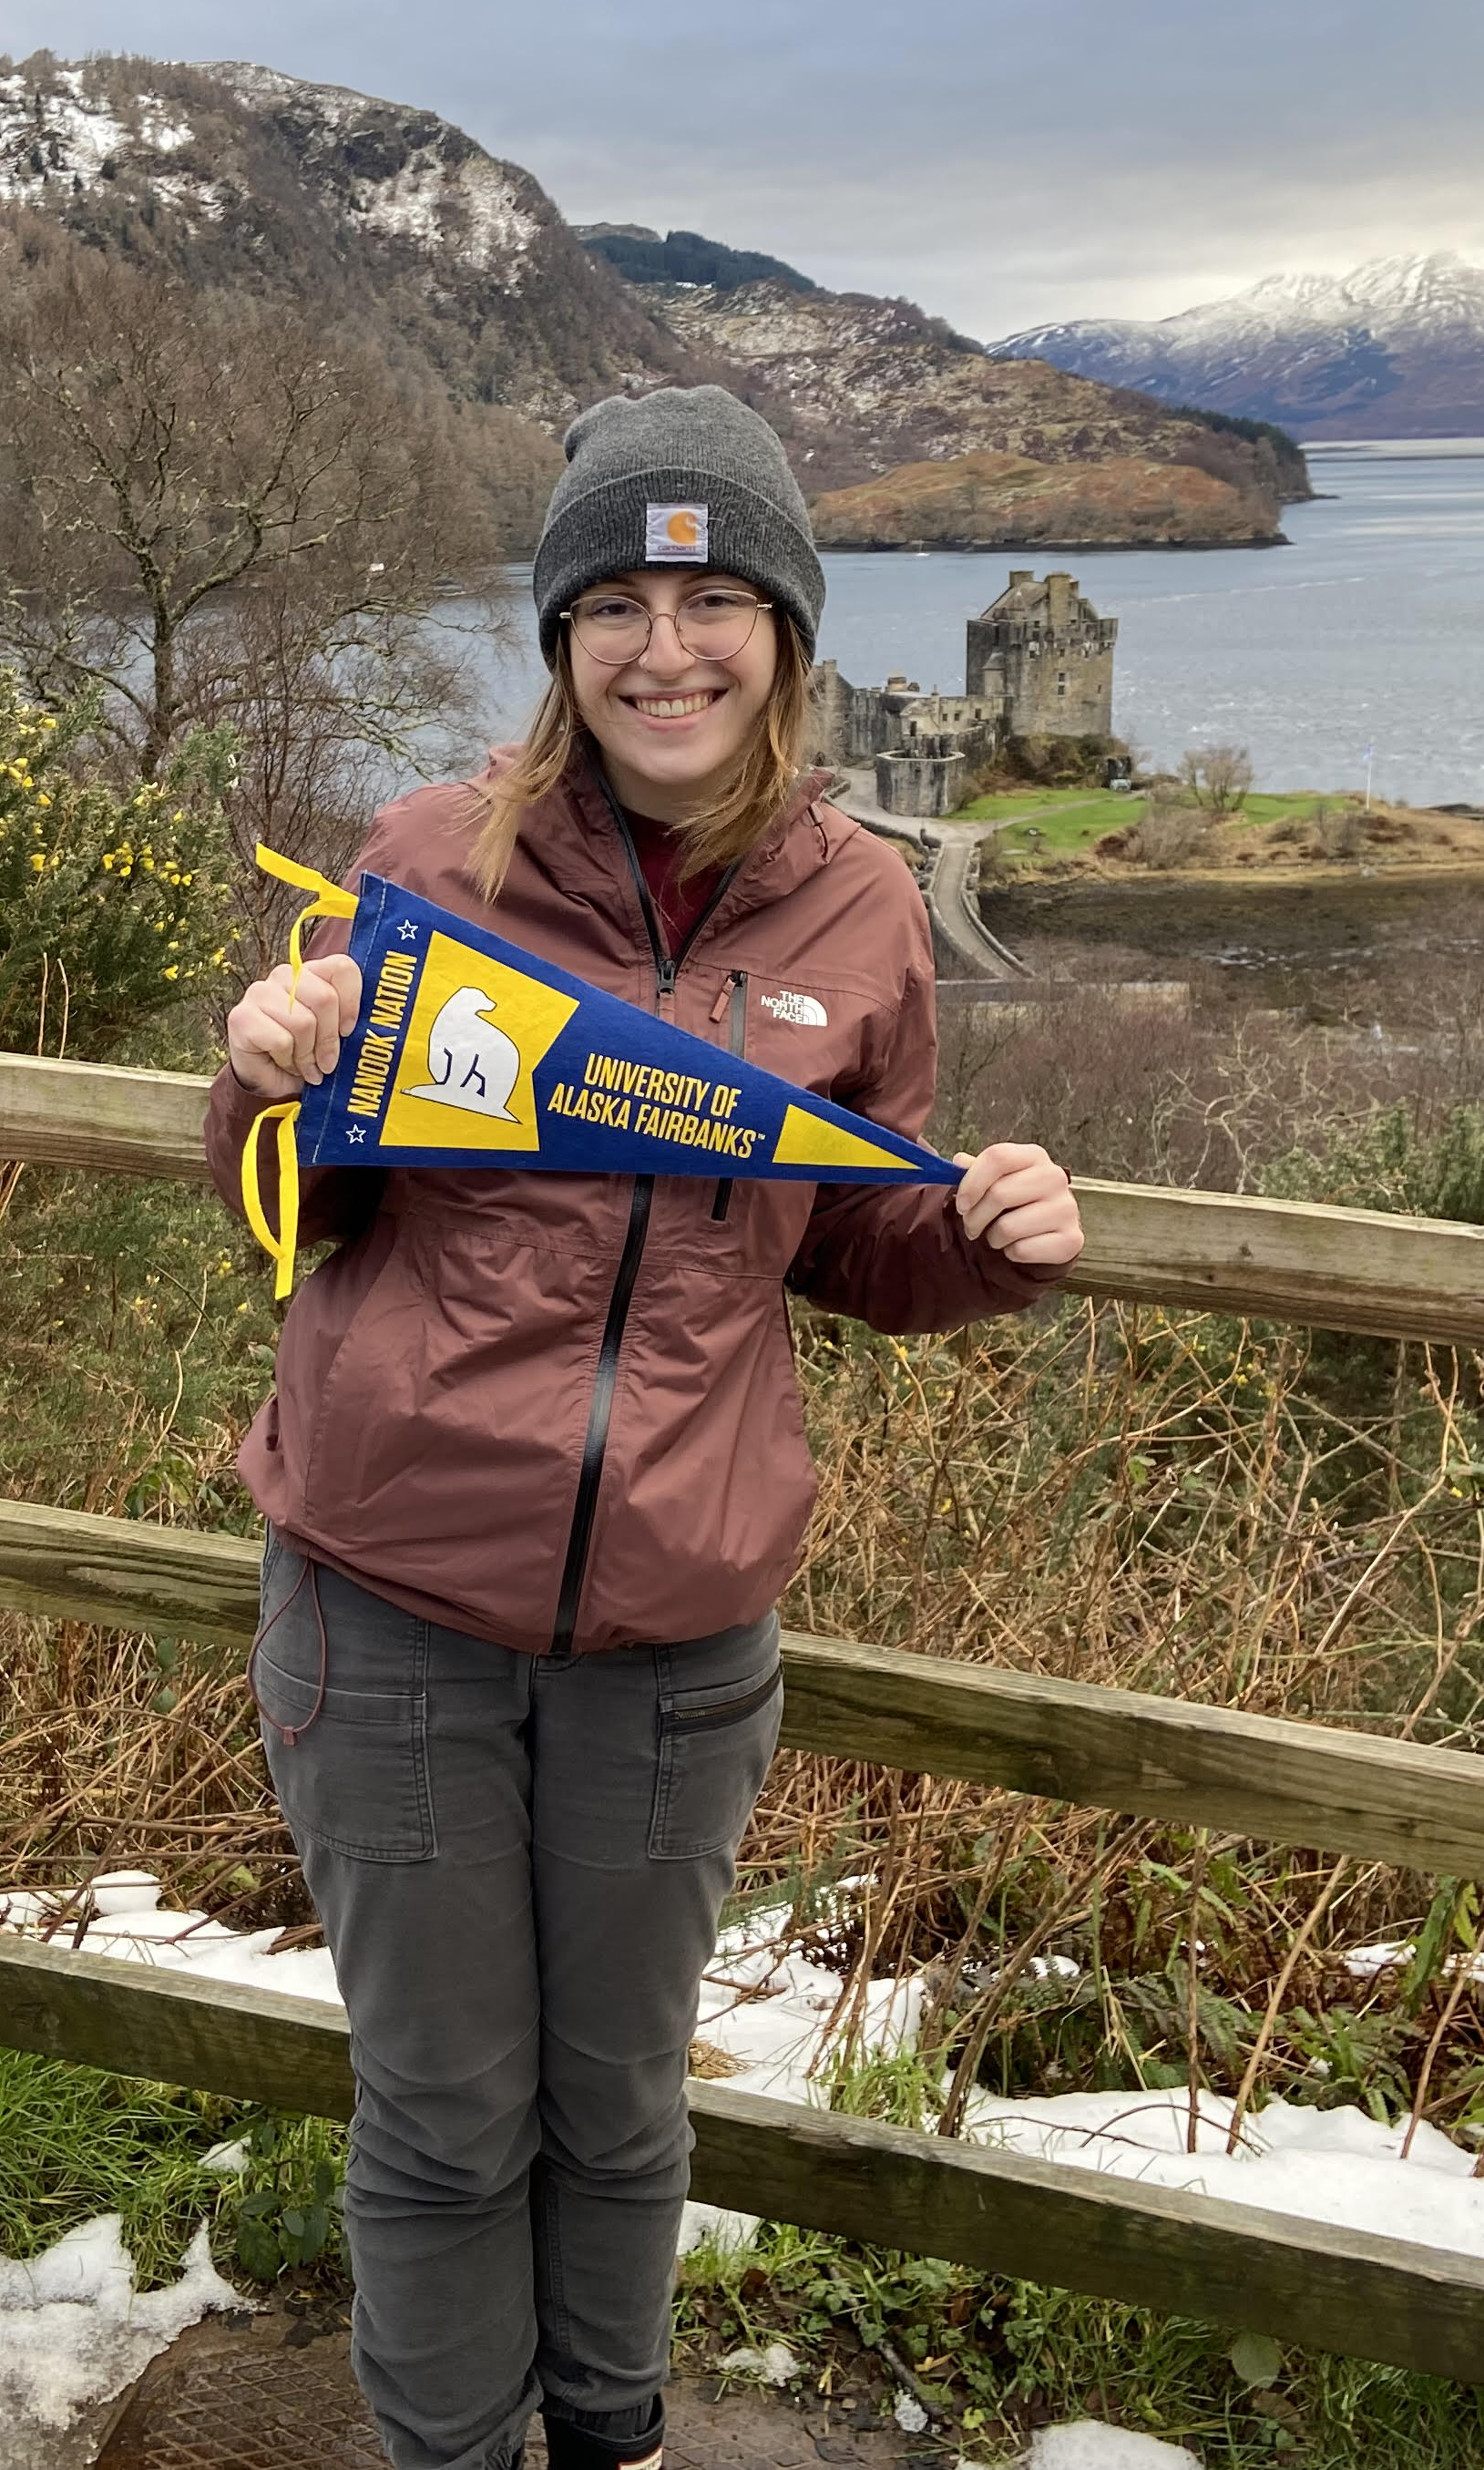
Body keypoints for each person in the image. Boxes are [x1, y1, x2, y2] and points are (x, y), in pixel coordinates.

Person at [208, 386, 1082, 2470]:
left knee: (618, 2102)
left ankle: (612, 2445)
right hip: (392, 1602)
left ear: (783, 632)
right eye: (614, 599)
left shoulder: (860, 913)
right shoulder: (429, 860)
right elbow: (299, 1220)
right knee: (441, 2107)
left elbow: (845, 1240)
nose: (662, 645)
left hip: (682, 1633)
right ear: (558, 638)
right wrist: (266, 1076)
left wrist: (985, 1239)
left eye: (711, 598)